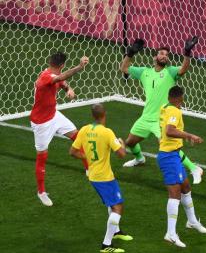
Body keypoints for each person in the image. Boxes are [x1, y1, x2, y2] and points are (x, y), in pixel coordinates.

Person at [119, 37, 204, 184]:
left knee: (168, 147)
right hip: (146, 116)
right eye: (162, 53)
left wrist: (187, 52)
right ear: (155, 57)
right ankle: (140, 158)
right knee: (130, 142)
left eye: (166, 55)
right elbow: (124, 68)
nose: (164, 56)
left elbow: (183, 69)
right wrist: (130, 53)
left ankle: (195, 168)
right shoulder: (144, 72)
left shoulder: (170, 72)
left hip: (161, 119)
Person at [70, 104, 133, 253]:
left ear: (93, 116)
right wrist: (122, 143)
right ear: (104, 114)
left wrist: (86, 157)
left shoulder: (84, 130)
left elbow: (72, 151)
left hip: (94, 174)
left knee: (111, 204)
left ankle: (116, 232)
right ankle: (106, 245)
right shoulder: (107, 133)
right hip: (104, 177)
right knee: (118, 207)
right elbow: (122, 154)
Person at [30, 52, 89, 206]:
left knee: (78, 136)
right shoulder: (45, 77)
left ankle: (89, 169)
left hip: (54, 115)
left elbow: (61, 81)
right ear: (62, 65)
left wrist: (68, 89)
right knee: (42, 157)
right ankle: (41, 192)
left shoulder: (53, 74)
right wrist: (79, 67)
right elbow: (59, 79)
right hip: (41, 123)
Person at [157, 86, 206, 248]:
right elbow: (170, 131)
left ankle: (192, 221)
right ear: (180, 99)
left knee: (186, 187)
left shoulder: (164, 108)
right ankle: (170, 233)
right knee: (174, 195)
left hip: (173, 155)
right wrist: (189, 135)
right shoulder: (175, 112)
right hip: (169, 157)